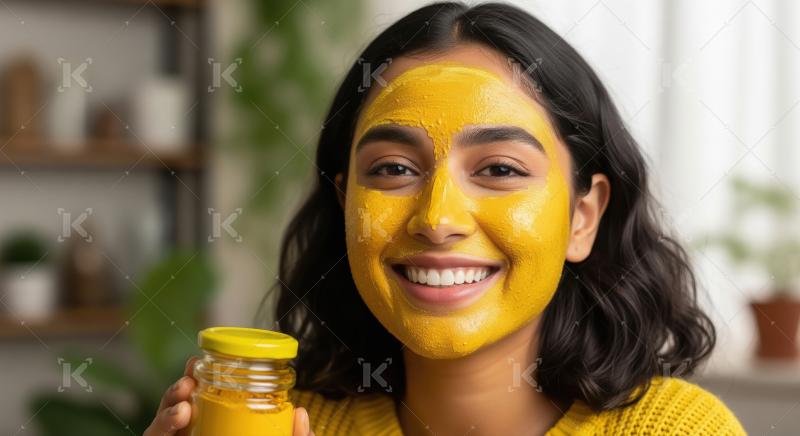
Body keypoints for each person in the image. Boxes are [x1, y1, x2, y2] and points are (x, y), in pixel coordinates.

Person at [145, 2, 747, 435]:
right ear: (343, 203)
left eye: (501, 170)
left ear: (582, 217)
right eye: (392, 170)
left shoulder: (679, 430)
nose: (437, 220)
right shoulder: (272, 424)